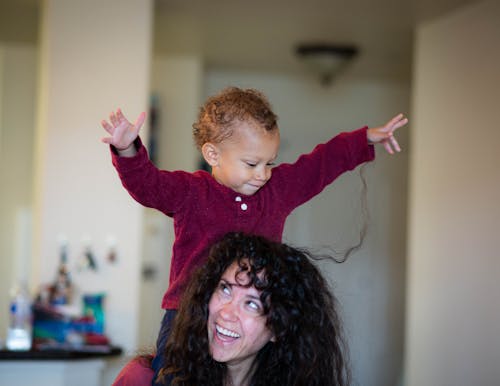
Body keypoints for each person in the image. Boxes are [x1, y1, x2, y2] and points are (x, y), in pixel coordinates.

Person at [101, 86, 408, 384]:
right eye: (251, 163)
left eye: (269, 163)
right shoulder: (191, 191)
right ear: (213, 154)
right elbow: (148, 185)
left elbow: (319, 165)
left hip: (252, 319)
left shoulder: (278, 190)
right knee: (171, 377)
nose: (262, 174)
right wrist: (128, 150)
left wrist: (363, 139)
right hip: (186, 310)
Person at [113, 232, 350, 386]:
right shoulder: (142, 379)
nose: (226, 312)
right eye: (225, 289)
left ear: (280, 326)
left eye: (251, 304)